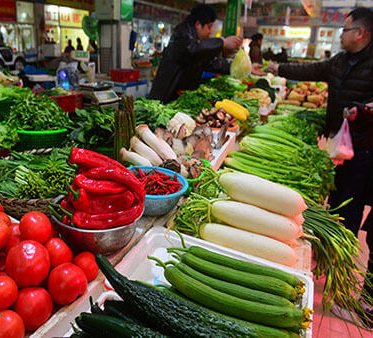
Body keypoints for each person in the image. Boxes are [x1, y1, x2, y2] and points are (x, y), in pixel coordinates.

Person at [270, 7, 373, 326]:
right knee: (336, 207)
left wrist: (364, 112)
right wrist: (278, 67)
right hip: (338, 149)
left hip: (365, 151)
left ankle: (344, 289)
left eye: (345, 30)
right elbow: (311, 69)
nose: (340, 35)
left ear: (361, 33)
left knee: (350, 212)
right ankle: (331, 263)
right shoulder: (340, 62)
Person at [149, 4, 258, 103]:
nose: (210, 32)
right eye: (209, 27)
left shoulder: (195, 40)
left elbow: (211, 63)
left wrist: (244, 68)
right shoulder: (182, 34)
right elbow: (191, 50)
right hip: (165, 98)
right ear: (198, 24)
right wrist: (222, 42)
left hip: (179, 97)